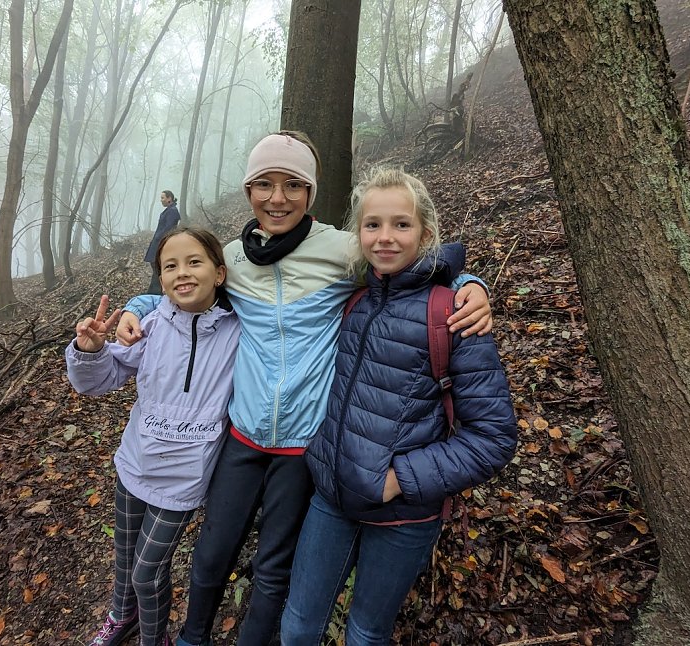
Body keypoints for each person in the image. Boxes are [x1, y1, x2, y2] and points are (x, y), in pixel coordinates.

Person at [115, 132, 493, 646]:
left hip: (304, 445)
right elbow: (184, 284)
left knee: (273, 567)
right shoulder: (233, 257)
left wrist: (471, 282)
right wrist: (137, 307)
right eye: (264, 185)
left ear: (310, 192)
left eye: (293, 185)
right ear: (249, 191)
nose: (278, 198)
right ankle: (191, 638)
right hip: (243, 436)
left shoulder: (341, 248)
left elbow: (412, 264)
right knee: (210, 553)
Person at [280, 166, 518, 646]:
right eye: (373, 225)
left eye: (401, 225)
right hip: (331, 497)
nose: (385, 237)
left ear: (425, 232)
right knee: (298, 626)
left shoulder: (452, 314)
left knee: (366, 634)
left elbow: (493, 437)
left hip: (404, 512)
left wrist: (399, 481)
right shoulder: (355, 300)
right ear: (358, 233)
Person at [66, 227, 240, 646]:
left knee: (147, 572)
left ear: (219, 273)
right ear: (160, 280)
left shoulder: (241, 330)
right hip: (135, 464)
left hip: (182, 479)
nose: (182, 273)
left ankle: (153, 637)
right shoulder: (150, 323)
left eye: (194, 262)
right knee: (125, 559)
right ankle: (119, 616)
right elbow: (100, 380)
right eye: (170, 266)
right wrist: (91, 351)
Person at [144, 190, 181, 294]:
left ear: (169, 198)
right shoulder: (169, 210)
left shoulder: (173, 211)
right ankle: (154, 293)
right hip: (157, 243)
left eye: (163, 198)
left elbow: (168, 229)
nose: (161, 200)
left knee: (158, 269)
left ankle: (154, 293)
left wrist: (160, 240)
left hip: (161, 244)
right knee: (156, 269)